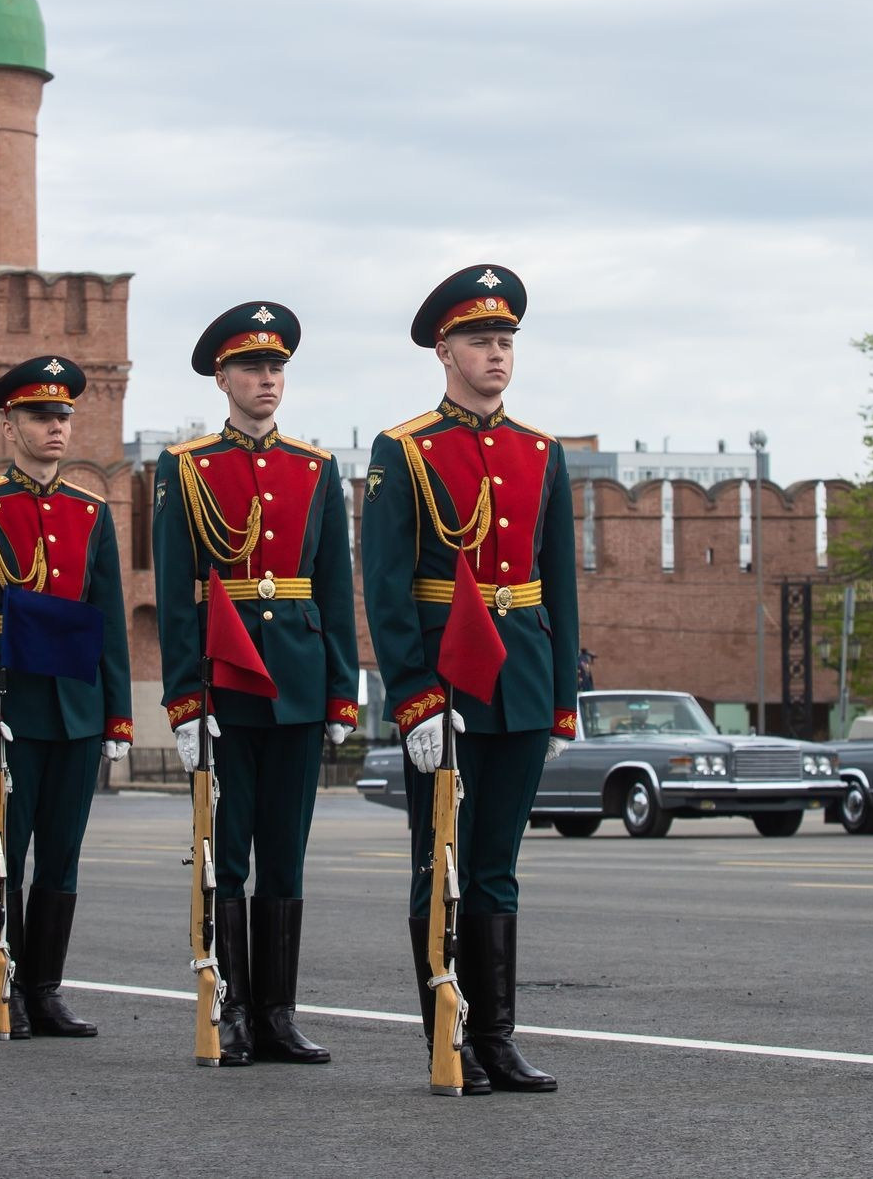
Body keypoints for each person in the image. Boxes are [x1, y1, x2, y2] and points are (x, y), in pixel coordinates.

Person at [362, 264, 579, 1096]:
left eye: (505, 341)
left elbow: (556, 582)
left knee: (497, 865)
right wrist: (411, 695)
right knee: (440, 864)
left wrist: (562, 696)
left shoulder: (539, 451)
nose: (497, 354)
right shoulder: (407, 450)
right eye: (482, 341)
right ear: (444, 349)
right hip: (447, 685)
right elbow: (384, 585)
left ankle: (498, 1037)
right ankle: (446, 1038)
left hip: (520, 678)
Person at [153, 302, 358, 1067]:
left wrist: (343, 690)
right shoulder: (186, 466)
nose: (266, 380)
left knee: (286, 855)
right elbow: (178, 595)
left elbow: (334, 585)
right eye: (252, 368)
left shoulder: (316, 466)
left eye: (275, 368)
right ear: (222, 377)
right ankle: (234, 1011)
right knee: (227, 858)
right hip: (225, 683)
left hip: (299, 682)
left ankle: (279, 1013)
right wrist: (183, 701)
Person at [0, 356, 133, 1039]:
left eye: (63, 416)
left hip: (74, 703)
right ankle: (5, 988)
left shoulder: (91, 511)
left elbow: (105, 616)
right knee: (3, 852)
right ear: (10, 425)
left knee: (61, 854)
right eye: (41, 416)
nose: (56, 427)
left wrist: (117, 715)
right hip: (8, 704)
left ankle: (45, 990)